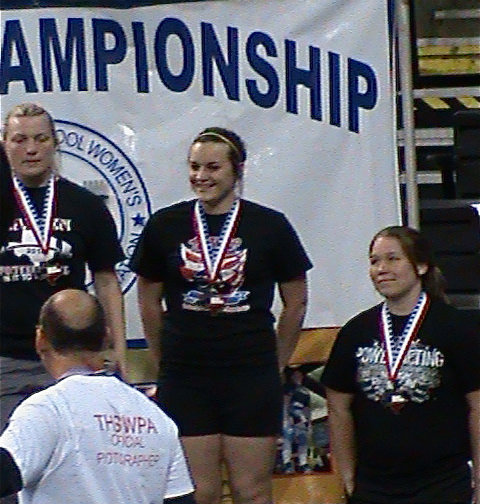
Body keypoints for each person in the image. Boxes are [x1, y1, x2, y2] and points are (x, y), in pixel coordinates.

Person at [129, 127, 312, 504]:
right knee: (200, 493)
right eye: (194, 167)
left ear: (237, 170)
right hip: (187, 376)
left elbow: (296, 300)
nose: (201, 176)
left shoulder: (270, 225)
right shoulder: (166, 225)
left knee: (252, 491)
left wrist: (275, 364)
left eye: (213, 167)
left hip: (250, 374)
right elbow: (148, 299)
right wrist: (166, 362)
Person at [322, 225, 480, 504]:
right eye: (374, 261)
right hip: (374, 485)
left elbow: (478, 406)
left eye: (393, 258)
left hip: (442, 483)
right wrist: (347, 476)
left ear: (420, 265)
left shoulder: (457, 328)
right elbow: (338, 406)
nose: (381, 268)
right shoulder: (356, 331)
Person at [0, 289, 196, 504]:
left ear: (40, 339)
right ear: (107, 336)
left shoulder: (45, 411)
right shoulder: (157, 418)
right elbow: (180, 499)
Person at [0, 103, 126, 435]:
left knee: (76, 465)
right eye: (19, 139)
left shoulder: (86, 205)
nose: (31, 149)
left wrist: (120, 352)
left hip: (73, 359)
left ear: (56, 142)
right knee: (9, 474)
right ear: (4, 145)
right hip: (5, 362)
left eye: (41, 138)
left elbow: (107, 281)